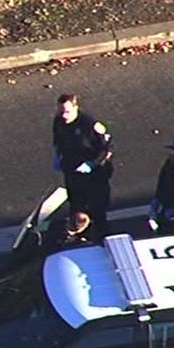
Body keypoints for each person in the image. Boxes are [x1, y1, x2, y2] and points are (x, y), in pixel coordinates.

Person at [51, 93, 113, 241]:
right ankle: (81, 237)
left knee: (97, 210)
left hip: (94, 176)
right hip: (72, 171)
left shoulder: (90, 125)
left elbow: (107, 150)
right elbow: (58, 141)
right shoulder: (58, 121)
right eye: (61, 111)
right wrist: (58, 157)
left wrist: (93, 164)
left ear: (75, 107)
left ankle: (101, 238)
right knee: (76, 207)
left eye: (67, 111)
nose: (64, 115)